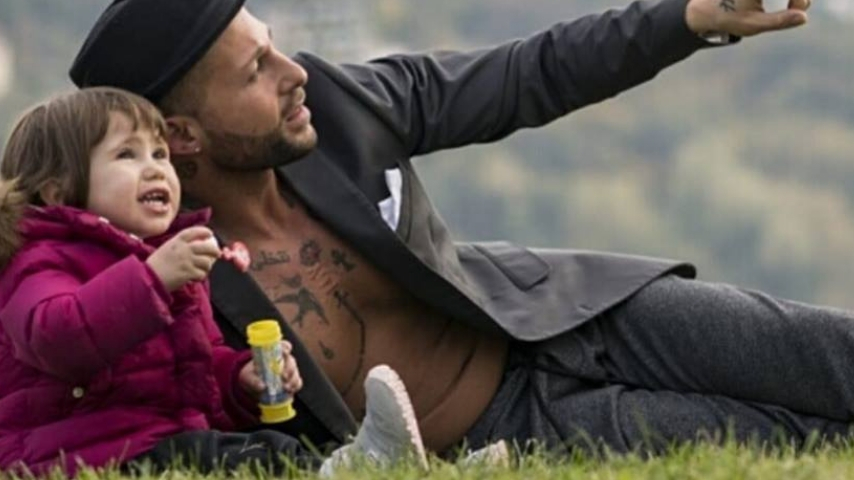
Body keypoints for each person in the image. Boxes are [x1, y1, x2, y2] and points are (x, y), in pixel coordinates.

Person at [66, 0, 843, 463]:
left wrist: (682, 19)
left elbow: (524, 75)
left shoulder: (335, 106)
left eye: (270, 46)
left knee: (826, 354)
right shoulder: (151, 279)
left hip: (565, 316)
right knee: (788, 436)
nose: (292, 71)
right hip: (508, 430)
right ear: (184, 136)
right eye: (255, 73)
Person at [0, 87, 428, 476]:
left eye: (160, 154)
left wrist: (242, 378)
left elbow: (196, 365)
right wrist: (152, 279)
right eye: (127, 155)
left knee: (260, 450)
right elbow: (57, 337)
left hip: (165, 442)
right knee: (251, 458)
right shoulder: (40, 259)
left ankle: (389, 467)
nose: (155, 169)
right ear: (57, 192)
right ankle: (357, 467)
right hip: (84, 459)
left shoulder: (162, 260)